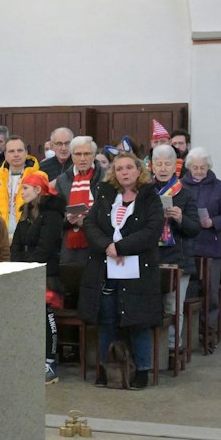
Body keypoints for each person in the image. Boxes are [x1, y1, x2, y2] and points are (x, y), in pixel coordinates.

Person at [81, 150, 163, 389]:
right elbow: (90, 223)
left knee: (137, 320)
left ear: (139, 170)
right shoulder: (106, 195)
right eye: (119, 169)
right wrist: (107, 246)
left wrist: (121, 247)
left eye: (129, 167)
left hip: (138, 269)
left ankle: (142, 370)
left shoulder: (149, 197)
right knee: (107, 319)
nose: (124, 172)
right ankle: (108, 368)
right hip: (107, 268)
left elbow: (152, 230)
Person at [11, 168, 66, 384]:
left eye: (25, 188)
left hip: (45, 274)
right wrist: (17, 266)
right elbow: (16, 243)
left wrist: (28, 265)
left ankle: (49, 363)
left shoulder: (52, 215)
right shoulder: (25, 212)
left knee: (46, 317)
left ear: (37, 189)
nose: (21, 191)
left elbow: (46, 247)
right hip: (25, 273)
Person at [148, 144, 201, 359]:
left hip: (178, 258)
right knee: (152, 304)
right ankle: (153, 348)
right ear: (152, 166)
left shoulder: (185, 194)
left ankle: (172, 348)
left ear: (175, 167)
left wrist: (180, 218)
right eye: (158, 164)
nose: (162, 168)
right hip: (151, 257)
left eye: (167, 164)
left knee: (173, 305)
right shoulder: (146, 192)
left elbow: (195, 229)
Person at [182, 147, 221, 332]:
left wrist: (212, 221)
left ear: (208, 167)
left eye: (203, 167)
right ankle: (188, 331)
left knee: (210, 291)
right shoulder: (181, 185)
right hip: (189, 245)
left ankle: (209, 331)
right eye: (195, 167)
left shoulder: (219, 186)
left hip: (212, 245)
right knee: (188, 290)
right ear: (189, 167)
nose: (199, 171)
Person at [53, 136, 106, 305]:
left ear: (94, 155)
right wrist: (69, 220)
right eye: (78, 154)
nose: (82, 158)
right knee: (70, 294)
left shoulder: (105, 179)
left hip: (96, 244)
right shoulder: (62, 180)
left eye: (87, 154)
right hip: (69, 247)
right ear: (72, 156)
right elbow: (55, 216)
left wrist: (87, 221)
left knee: (94, 295)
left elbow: (110, 213)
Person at [0, 137, 39, 230]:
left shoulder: (39, 177)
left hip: (27, 231)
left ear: (26, 153)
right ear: (5, 154)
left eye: (20, 151)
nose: (16, 155)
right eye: (11, 151)